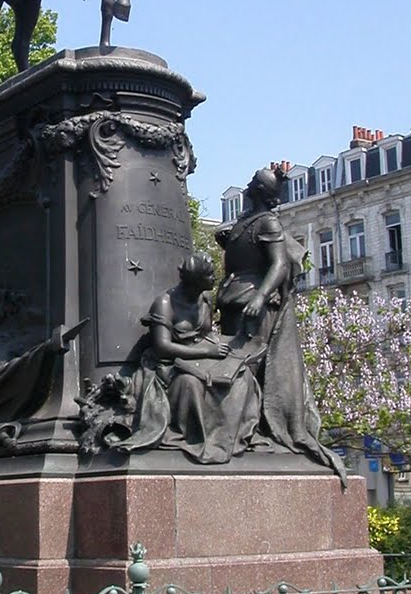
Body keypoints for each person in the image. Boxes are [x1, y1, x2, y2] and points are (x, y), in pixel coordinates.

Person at [215, 167, 346, 483]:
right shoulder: (246, 222)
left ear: (259, 191)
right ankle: (241, 427)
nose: (246, 186)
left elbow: (279, 263)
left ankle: (257, 428)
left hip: (253, 304)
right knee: (235, 366)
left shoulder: (268, 222)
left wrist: (261, 296)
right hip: (234, 301)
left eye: (251, 184)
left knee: (252, 366)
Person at [113, 253, 263, 464]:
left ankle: (231, 437)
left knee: (243, 376)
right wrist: (208, 353)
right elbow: (162, 347)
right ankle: (198, 438)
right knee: (190, 384)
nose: (214, 278)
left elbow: (207, 335)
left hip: (201, 359)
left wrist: (232, 346)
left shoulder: (205, 299)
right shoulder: (165, 303)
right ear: (196, 279)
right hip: (169, 365)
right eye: (209, 275)